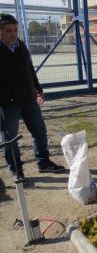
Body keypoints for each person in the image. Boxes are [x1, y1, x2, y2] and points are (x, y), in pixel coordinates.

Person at [0, 14, 65, 183]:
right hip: (7, 104)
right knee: (10, 139)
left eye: (15, 30)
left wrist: (38, 90)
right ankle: (17, 171)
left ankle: (43, 162)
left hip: (28, 99)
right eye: (8, 31)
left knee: (40, 131)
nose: (13, 34)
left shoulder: (20, 45)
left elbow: (29, 69)